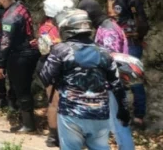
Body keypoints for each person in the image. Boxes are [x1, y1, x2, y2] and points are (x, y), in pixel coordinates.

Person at [38, 9, 129, 150]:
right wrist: (123, 110)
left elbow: (45, 77)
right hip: (100, 114)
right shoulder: (104, 53)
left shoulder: (61, 50)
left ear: (67, 29)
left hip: (71, 113)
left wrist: (45, 56)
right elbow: (117, 84)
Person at [80, 0, 134, 150]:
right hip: (107, 83)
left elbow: (111, 59)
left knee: (118, 125)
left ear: (87, 13)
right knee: (111, 124)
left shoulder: (108, 29)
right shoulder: (103, 27)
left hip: (112, 84)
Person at [97, 0, 149, 129]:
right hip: (115, 44)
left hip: (131, 44)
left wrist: (136, 37)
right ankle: (119, 115)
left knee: (133, 79)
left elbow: (142, 22)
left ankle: (139, 117)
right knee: (115, 80)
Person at [0, 0, 40, 133]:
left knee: (22, 89)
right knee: (22, 87)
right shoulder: (21, 7)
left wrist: (0, 65)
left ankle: (28, 125)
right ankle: (22, 117)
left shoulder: (10, 17)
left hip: (20, 55)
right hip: (30, 51)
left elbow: (5, 43)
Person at [39, 0, 76, 147]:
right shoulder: (48, 27)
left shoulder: (65, 24)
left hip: (62, 65)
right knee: (55, 101)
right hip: (52, 65)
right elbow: (48, 48)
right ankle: (54, 135)